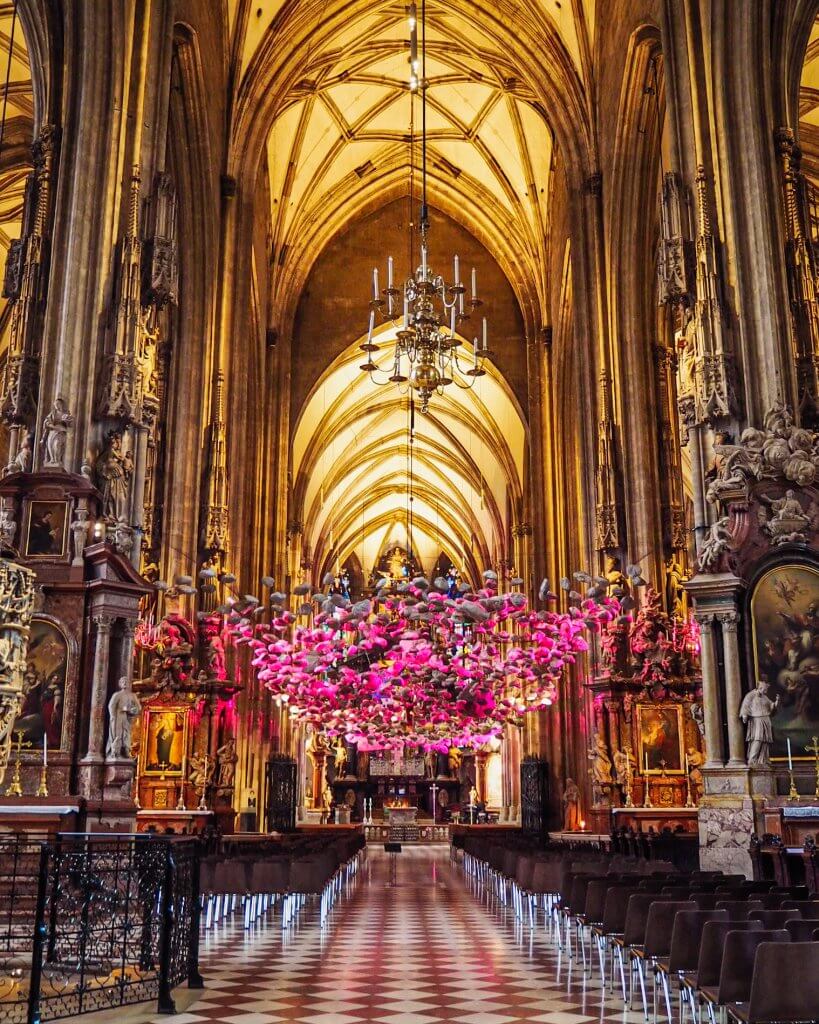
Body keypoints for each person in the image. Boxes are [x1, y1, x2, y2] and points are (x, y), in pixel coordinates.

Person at [739, 678, 779, 765]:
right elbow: (745, 705)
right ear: (760, 688)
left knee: (765, 740)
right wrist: (745, 715)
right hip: (757, 719)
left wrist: (776, 703)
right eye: (765, 689)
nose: (766, 691)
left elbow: (771, 706)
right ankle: (752, 759)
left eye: (766, 689)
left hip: (766, 719)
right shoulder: (751, 695)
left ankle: (763, 759)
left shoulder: (765, 697)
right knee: (758, 738)